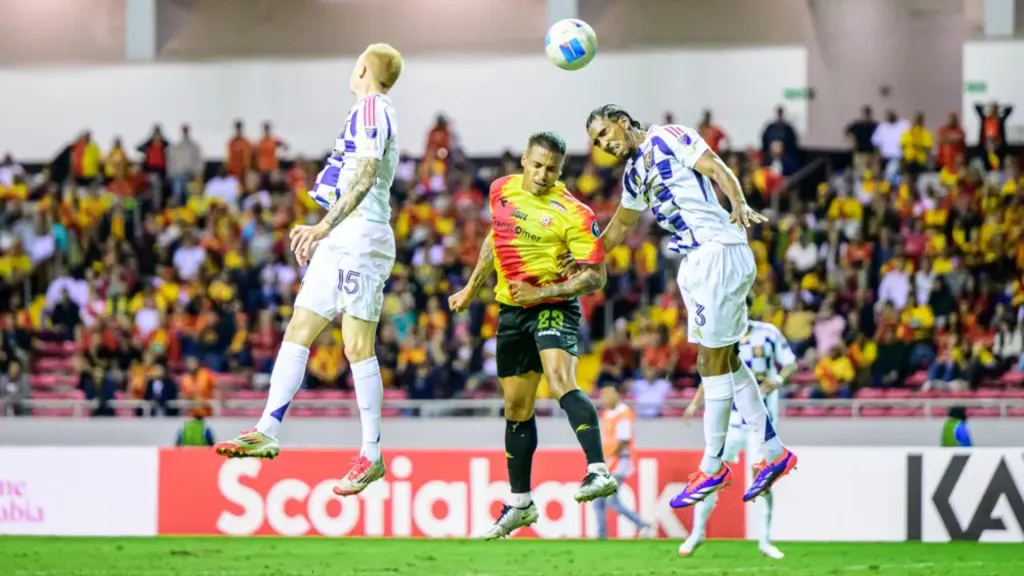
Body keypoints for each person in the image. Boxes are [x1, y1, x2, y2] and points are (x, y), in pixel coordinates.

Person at [214, 44, 404, 499]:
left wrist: (322, 226)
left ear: (363, 67)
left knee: (356, 344)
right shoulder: (362, 110)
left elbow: (364, 177)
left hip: (362, 236)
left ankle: (371, 453)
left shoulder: (373, 108)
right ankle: (267, 429)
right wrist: (325, 233)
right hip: (341, 237)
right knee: (299, 327)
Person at [583, 104, 797, 508]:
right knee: (728, 362)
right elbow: (620, 228)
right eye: (596, 141)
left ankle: (713, 465)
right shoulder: (633, 175)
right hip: (699, 262)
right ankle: (773, 453)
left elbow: (715, 165)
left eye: (606, 133)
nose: (604, 144)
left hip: (716, 251)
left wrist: (738, 202)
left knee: (709, 364)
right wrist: (584, 258)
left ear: (624, 123)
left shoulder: (667, 136)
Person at [448, 131, 617, 539]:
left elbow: (597, 277)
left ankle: (597, 470)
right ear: (524, 160)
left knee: (561, 382)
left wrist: (543, 292)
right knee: (515, 409)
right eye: (537, 165)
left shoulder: (573, 212)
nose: (543, 175)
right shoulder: (500, 190)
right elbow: (495, 237)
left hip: (552, 304)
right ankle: (520, 504)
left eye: (552, 169)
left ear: (560, 171)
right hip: (511, 311)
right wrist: (472, 287)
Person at [680, 320, 798, 559]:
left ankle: (765, 541)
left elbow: (791, 363)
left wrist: (779, 380)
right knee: (710, 473)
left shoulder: (767, 333)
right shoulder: (722, 332)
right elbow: (712, 372)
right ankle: (696, 533)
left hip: (761, 423)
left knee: (762, 477)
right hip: (731, 421)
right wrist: (695, 402)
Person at [594, 385, 652, 539]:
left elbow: (624, 440)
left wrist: (611, 458)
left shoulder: (623, 413)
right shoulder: (607, 414)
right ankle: (601, 536)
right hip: (607, 461)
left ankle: (642, 524)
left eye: (605, 397)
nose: (603, 401)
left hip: (619, 462)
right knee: (598, 501)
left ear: (615, 396)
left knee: (612, 501)